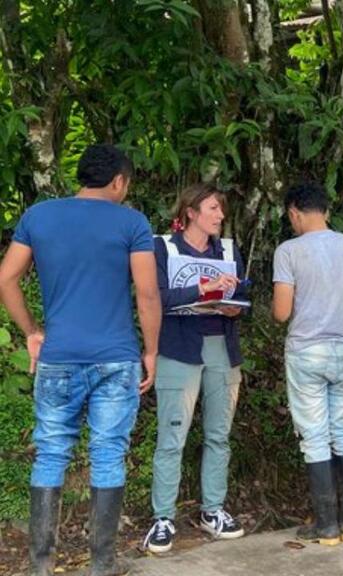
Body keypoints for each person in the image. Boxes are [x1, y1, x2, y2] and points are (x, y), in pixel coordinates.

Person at [0, 144, 161, 576]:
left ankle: (40, 566)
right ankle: (102, 566)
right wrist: (151, 351)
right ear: (118, 181)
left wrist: (32, 331)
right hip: (116, 358)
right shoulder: (132, 222)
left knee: (51, 454)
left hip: (59, 358)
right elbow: (147, 294)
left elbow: (6, 278)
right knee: (108, 454)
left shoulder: (39, 216)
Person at [141, 183, 248, 554]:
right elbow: (155, 296)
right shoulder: (163, 247)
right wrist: (202, 289)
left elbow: (244, 293)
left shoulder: (229, 249)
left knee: (219, 434)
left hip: (222, 346)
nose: (221, 216)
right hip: (178, 348)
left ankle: (213, 510)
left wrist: (235, 304)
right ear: (190, 211)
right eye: (214, 209)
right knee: (172, 437)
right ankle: (163, 518)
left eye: (221, 210)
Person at [272, 181, 343, 546]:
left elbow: (282, 313)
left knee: (314, 437)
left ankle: (326, 526)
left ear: (294, 213)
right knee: (342, 430)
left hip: (307, 352)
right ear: (327, 211)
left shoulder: (289, 251)